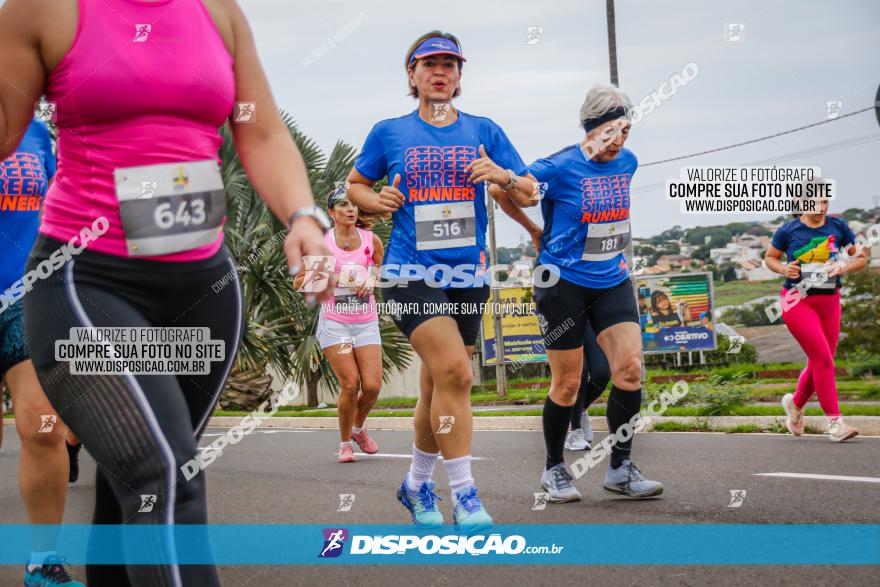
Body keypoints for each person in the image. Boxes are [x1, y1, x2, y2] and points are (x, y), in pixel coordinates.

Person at [0, 0, 333, 584]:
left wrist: (303, 216)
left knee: (134, 483)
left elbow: (259, 128)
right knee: (165, 474)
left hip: (204, 288)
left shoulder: (217, 12)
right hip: (88, 281)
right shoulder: (45, 9)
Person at [347, 30, 537, 532]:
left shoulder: (484, 130)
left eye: (449, 66)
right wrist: (374, 202)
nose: (440, 73)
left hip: (467, 274)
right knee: (456, 373)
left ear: (459, 76)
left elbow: (532, 190)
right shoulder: (389, 132)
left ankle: (415, 485)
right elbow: (355, 184)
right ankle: (466, 495)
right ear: (411, 75)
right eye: (429, 64)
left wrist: (501, 174)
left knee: (437, 386)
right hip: (409, 272)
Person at [500, 84, 663, 503]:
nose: (619, 141)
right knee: (568, 384)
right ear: (590, 129)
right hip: (562, 284)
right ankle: (554, 467)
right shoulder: (558, 167)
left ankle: (620, 469)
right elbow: (505, 190)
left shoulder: (628, 162)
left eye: (625, 131)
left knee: (629, 371)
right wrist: (534, 230)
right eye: (609, 132)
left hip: (611, 279)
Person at [0, 117, 85, 586]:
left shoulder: (34, 131)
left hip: (24, 297)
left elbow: (57, 207)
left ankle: (42, 562)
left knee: (45, 430)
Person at [765, 183, 867, 442]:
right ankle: (835, 425)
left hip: (830, 302)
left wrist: (843, 267)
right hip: (797, 301)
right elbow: (770, 258)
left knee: (819, 360)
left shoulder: (838, 226)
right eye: (815, 203)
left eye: (825, 202)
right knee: (823, 359)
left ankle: (796, 407)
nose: (821, 208)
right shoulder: (788, 230)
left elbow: (861, 259)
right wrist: (783, 270)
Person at [295, 187, 383, 463]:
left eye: (354, 205)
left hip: (366, 322)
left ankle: (358, 429)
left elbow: (383, 271)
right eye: (343, 205)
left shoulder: (371, 240)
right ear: (331, 213)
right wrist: (337, 277)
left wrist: (372, 278)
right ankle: (345, 443)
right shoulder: (323, 243)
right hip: (335, 323)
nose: (350, 209)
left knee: (371, 387)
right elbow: (298, 283)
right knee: (350, 383)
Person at [564, 325, 610, 450]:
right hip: (564, 321)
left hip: (589, 321)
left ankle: (581, 411)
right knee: (580, 372)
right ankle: (575, 431)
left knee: (602, 373)